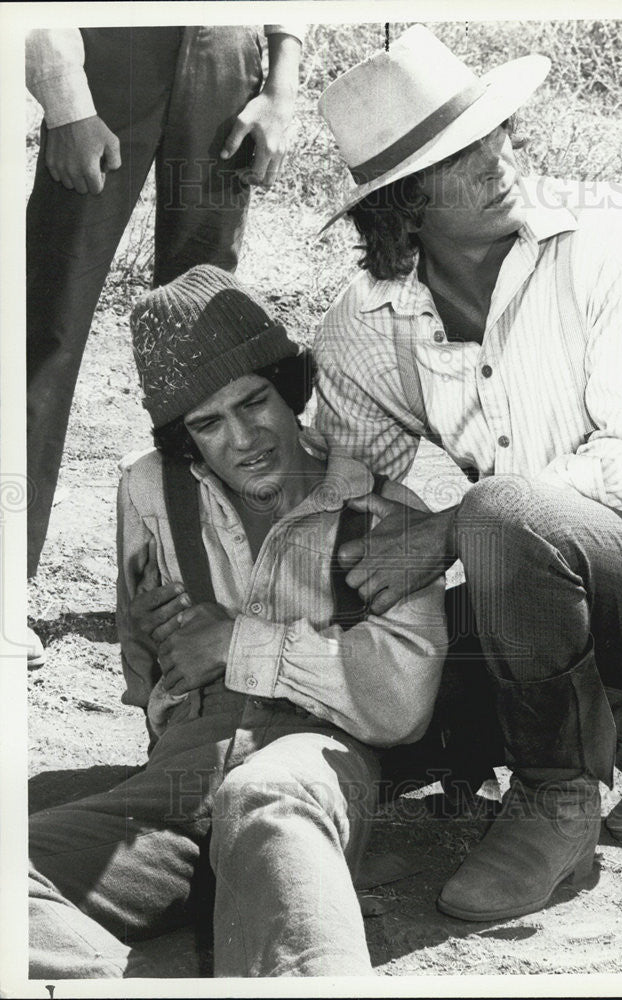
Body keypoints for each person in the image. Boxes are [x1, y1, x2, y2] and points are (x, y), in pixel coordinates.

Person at [312, 24, 622, 921]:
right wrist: (332, 588)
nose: (498, 156)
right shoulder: (368, 314)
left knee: (503, 513)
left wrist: (450, 528)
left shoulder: (610, 233)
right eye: (457, 152)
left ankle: (556, 795)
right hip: (524, 593)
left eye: (495, 129)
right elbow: (350, 482)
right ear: (399, 205)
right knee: (385, 720)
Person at [28, 265, 447, 978]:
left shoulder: (381, 511)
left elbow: (400, 706)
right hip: (186, 763)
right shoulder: (150, 490)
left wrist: (235, 642)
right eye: (208, 425)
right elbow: (146, 673)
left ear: (289, 393)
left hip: (315, 752)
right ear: (185, 440)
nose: (244, 438)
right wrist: (161, 649)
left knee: (265, 801)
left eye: (254, 403)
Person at [25, 24, 305, 663]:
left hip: (228, 58)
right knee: (47, 327)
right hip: (113, 52)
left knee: (207, 339)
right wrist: (68, 102)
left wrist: (280, 85)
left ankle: (209, 573)